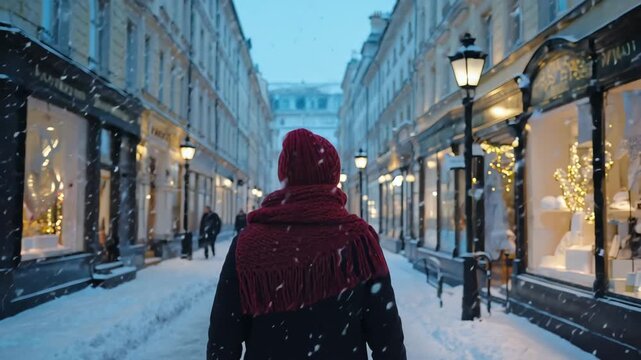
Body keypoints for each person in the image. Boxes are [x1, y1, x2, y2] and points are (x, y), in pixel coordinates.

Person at [208, 129, 406, 359]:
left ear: (285, 175)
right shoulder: (358, 240)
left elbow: (223, 338)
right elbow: (386, 335)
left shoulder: (249, 243)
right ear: (332, 176)